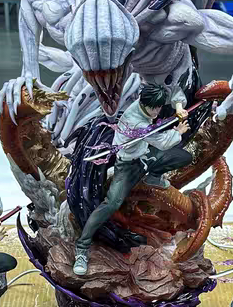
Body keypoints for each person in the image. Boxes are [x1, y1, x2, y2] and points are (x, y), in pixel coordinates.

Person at [73, 82, 194, 276]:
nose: (157, 111)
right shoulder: (136, 123)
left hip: (145, 155)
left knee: (183, 157)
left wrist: (179, 106)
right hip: (128, 166)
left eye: (159, 107)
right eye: (153, 108)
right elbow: (163, 143)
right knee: (111, 203)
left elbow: (173, 90)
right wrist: (177, 132)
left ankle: (153, 177)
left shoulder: (149, 98)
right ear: (143, 103)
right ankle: (82, 248)